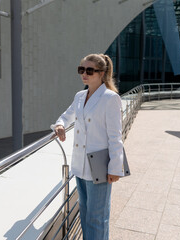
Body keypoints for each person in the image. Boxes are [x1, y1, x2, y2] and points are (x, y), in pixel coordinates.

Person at [51, 53, 124, 240]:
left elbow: (115, 137)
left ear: (102, 73)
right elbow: (67, 116)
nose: (84, 74)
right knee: (84, 213)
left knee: (97, 218)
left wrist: (115, 167)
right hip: (80, 164)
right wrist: (59, 125)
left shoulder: (110, 98)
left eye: (89, 70)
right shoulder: (80, 95)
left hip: (99, 166)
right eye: (81, 69)